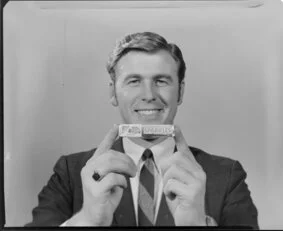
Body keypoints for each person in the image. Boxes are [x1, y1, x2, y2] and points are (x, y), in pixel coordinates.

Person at [25, 32, 259, 228]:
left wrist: (198, 224)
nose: (148, 95)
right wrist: (87, 220)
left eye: (161, 81)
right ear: (113, 93)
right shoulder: (70, 173)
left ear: (181, 92)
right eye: (134, 81)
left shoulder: (227, 176)